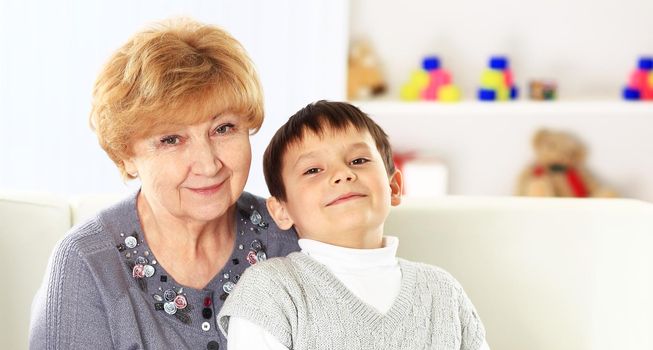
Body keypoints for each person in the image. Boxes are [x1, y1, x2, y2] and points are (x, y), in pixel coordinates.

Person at [28, 18, 299, 349]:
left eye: (224, 128)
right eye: (171, 139)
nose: (208, 163)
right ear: (127, 154)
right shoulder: (87, 265)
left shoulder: (291, 234)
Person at [217, 100, 490, 349]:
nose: (343, 174)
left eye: (358, 161)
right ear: (281, 211)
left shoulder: (443, 293)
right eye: (313, 170)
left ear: (394, 187)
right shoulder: (271, 292)